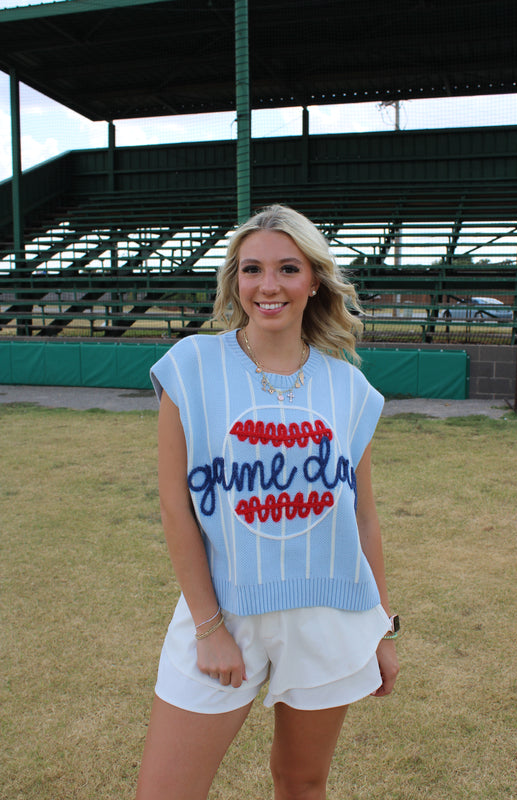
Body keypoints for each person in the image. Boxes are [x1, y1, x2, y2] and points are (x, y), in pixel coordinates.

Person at [135, 204, 399, 800]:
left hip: (329, 616)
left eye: (287, 268)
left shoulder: (349, 387)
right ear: (235, 281)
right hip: (224, 616)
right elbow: (177, 506)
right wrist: (208, 628)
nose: (268, 285)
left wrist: (380, 633)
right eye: (251, 269)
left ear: (313, 280)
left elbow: (362, 515)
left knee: (302, 784)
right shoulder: (191, 365)